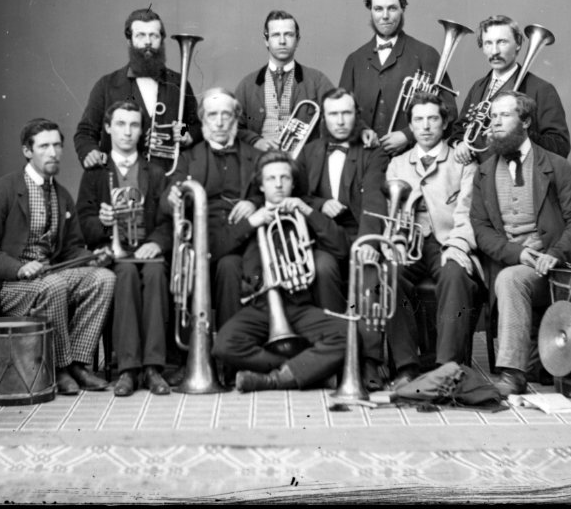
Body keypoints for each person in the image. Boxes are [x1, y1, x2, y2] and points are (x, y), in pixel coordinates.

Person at [0, 118, 115, 395]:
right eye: (44, 146)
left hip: (48, 278)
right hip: (8, 287)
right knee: (54, 285)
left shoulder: (61, 195)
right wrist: (19, 268)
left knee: (103, 279)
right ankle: (59, 367)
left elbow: (71, 248)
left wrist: (91, 258)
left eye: (57, 145)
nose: (53, 152)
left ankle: (79, 365)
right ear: (27, 151)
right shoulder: (1, 191)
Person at [470, 92, 571, 397]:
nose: (495, 122)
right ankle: (529, 362)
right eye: (493, 116)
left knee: (510, 279)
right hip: (508, 265)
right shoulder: (484, 171)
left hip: (550, 271)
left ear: (525, 121)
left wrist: (554, 254)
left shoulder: (556, 166)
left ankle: (512, 374)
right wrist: (516, 252)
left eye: (504, 116)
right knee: (510, 276)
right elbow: (481, 228)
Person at [294, 87, 405, 389]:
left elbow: (374, 201)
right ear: (324, 117)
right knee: (322, 268)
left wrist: (370, 245)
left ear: (356, 115)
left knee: (369, 271)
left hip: (360, 231)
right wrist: (319, 204)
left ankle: (369, 360)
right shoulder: (310, 150)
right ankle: (337, 353)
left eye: (346, 113)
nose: (340, 120)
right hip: (323, 235)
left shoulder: (372, 151)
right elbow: (299, 193)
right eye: (333, 114)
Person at [212, 150, 349, 392]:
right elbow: (216, 251)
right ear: (261, 186)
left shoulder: (304, 212)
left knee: (348, 335)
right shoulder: (248, 216)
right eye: (271, 179)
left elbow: (341, 248)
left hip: (300, 305)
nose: (278, 184)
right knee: (224, 345)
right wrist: (252, 223)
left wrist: (307, 211)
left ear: (293, 183)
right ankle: (305, 372)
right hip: (260, 306)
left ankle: (271, 380)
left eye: (284, 178)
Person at [76, 100, 173, 397]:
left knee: (156, 277)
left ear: (142, 129)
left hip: (148, 251)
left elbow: (167, 221)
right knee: (127, 274)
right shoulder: (95, 172)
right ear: (108, 128)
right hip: (115, 254)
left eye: (134, 124)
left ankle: (153, 367)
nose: (127, 132)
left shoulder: (154, 171)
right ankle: (128, 369)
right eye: (120, 124)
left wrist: (156, 243)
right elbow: (84, 220)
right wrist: (104, 224)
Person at [385, 91, 482, 378]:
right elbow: (393, 213)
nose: (425, 126)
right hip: (410, 242)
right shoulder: (397, 164)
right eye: (418, 120)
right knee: (389, 275)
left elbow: (467, 212)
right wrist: (396, 242)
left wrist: (458, 246)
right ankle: (405, 366)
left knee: (455, 275)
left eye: (432, 119)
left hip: (448, 242)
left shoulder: (463, 162)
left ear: (443, 124)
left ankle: (446, 368)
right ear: (411, 127)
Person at [163, 88, 263, 330]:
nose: (219, 122)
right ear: (202, 119)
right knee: (226, 265)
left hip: (244, 242)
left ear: (236, 118)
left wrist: (254, 203)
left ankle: (231, 357)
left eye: (226, 115)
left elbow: (272, 193)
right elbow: (167, 197)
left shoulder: (257, 156)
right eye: (211, 115)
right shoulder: (188, 157)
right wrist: (173, 197)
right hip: (200, 241)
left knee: (230, 266)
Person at [338, 0, 458, 157]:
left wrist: (408, 135)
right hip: (364, 159)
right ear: (370, 11)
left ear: (402, 9)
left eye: (392, 8)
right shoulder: (355, 60)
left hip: (413, 158)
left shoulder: (426, 54)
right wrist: (361, 130)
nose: (385, 16)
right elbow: (341, 111)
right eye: (378, 9)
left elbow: (450, 111)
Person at [74, 7, 202, 169]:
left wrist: (185, 134)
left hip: (167, 179)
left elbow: (196, 126)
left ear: (161, 40)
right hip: (121, 180)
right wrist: (90, 152)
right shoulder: (107, 85)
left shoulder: (179, 83)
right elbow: (85, 132)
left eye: (153, 35)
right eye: (141, 35)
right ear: (130, 41)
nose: (147, 41)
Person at [450, 15, 570, 164]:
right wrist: (460, 143)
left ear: (518, 44)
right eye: (488, 43)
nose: (494, 51)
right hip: (480, 178)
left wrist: (518, 134)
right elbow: (458, 130)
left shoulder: (542, 89)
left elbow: (561, 146)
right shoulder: (478, 87)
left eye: (502, 42)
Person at [235, 9, 335, 152]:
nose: (282, 41)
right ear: (266, 40)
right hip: (260, 163)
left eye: (288, 35)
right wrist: (255, 141)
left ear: (297, 40)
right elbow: (233, 126)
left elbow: (340, 113)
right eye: (276, 35)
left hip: (304, 164)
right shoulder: (247, 84)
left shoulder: (317, 80)